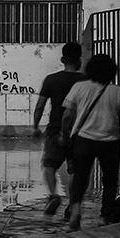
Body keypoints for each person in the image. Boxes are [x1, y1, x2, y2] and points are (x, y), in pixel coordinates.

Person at [59, 53, 120, 231]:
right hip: (110, 143)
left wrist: (65, 136)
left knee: (80, 176)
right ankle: (104, 216)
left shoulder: (79, 87)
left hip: (84, 140)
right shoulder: (119, 91)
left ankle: (76, 210)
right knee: (110, 181)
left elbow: (67, 116)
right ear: (112, 71)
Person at [32, 42, 87, 216]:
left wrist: (35, 127)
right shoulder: (85, 81)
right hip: (79, 133)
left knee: (49, 165)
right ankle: (72, 203)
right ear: (79, 60)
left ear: (62, 59)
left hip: (55, 131)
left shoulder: (51, 80)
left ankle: (54, 195)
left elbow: (40, 106)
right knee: (75, 169)